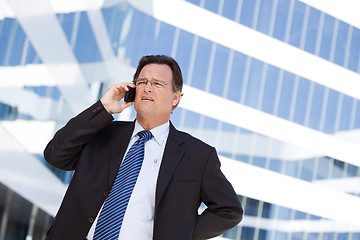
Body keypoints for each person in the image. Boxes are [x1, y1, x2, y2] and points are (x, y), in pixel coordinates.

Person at [44, 55, 243, 240]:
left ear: (175, 98)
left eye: (157, 83)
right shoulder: (101, 132)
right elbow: (55, 155)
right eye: (142, 82)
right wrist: (102, 108)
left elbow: (229, 210)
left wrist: (179, 233)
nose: (148, 88)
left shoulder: (197, 155)